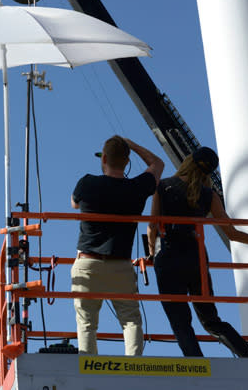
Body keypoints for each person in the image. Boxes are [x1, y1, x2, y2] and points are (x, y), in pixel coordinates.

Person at [147, 146, 248, 357]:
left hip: (168, 256)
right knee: (211, 320)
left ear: (188, 161)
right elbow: (231, 233)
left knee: (180, 320)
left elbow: (152, 226)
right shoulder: (208, 194)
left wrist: (152, 252)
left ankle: (196, 363)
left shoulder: (164, 186)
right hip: (196, 258)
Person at [71, 135, 164, 355]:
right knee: (130, 320)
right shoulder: (137, 188)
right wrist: (131, 144)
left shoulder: (87, 182)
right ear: (127, 161)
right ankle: (133, 369)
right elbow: (158, 164)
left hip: (88, 263)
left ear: (103, 158)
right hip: (121, 265)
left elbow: (74, 203)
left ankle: (89, 368)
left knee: (86, 322)